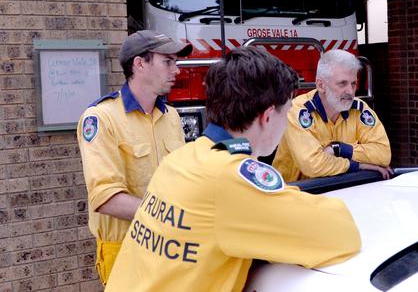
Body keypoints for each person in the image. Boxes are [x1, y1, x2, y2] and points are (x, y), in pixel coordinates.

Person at [105, 47, 361, 291]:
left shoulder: (182, 160)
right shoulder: (231, 179)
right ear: (268, 116)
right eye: (287, 114)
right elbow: (342, 234)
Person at [77, 30, 192, 284]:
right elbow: (105, 197)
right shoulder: (101, 118)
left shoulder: (171, 116)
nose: (177, 70)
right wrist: (171, 218)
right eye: (168, 62)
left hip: (169, 246)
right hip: (124, 248)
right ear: (140, 64)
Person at [272, 49, 392, 182]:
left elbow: (384, 154)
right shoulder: (297, 110)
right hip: (296, 192)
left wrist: (339, 149)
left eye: (353, 83)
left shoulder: (360, 108)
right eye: (342, 83)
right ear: (321, 85)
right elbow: (313, 165)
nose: (350, 91)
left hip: (343, 188)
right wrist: (358, 165)